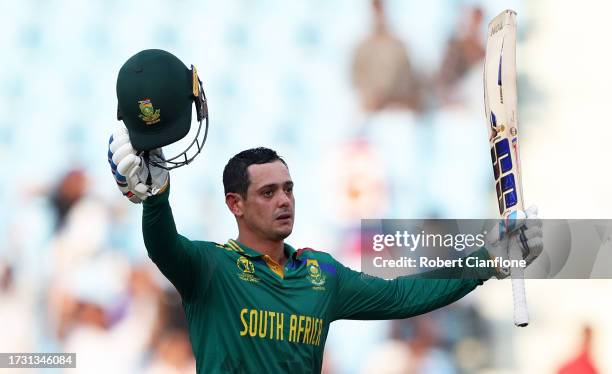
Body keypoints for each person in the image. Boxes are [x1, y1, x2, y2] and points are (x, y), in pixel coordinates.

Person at [107, 49, 543, 373]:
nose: (284, 200)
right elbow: (162, 246)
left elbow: (404, 296)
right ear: (234, 205)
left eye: (289, 189)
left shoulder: (321, 274)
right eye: (268, 192)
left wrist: (490, 258)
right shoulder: (212, 268)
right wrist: (157, 195)